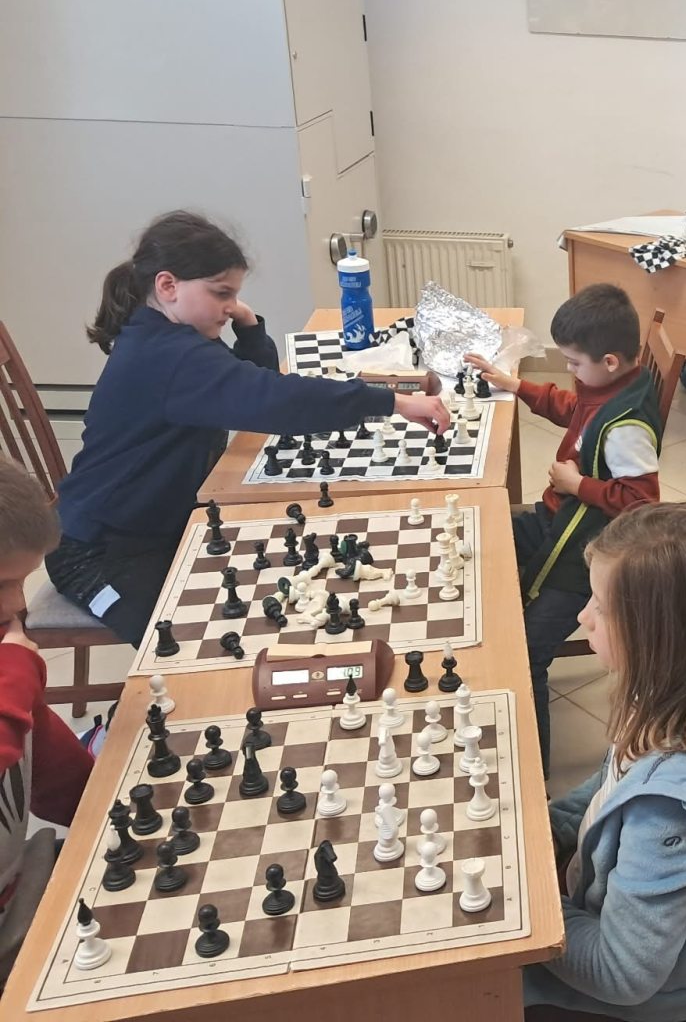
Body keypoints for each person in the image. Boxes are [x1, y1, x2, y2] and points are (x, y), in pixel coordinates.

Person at [47, 212, 448, 645]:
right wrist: (391, 401)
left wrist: (248, 326)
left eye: (235, 294)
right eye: (221, 293)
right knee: (183, 646)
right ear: (168, 286)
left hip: (157, 524)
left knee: (264, 597)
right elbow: (276, 400)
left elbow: (248, 384)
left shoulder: (174, 336)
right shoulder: (170, 356)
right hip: (97, 551)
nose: (230, 305)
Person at [522, 503, 686, 1021]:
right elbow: (611, 782)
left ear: (661, 636)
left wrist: (527, 902)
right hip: (592, 910)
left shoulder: (678, 810)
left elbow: (623, 974)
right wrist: (546, 827)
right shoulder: (685, 693)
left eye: (600, 607)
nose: (582, 618)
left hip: (635, 998)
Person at [466, 283, 661, 775]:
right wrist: (516, 386)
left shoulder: (627, 428)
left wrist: (579, 485)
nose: (568, 371)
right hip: (559, 522)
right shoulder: (608, 387)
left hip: (587, 556)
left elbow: (642, 503)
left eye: (573, 363)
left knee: (527, 654)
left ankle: (531, 774)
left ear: (610, 362)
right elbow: (574, 410)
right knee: (484, 538)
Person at [0, 458, 95, 985]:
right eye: (1, 584)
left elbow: (51, 766)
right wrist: (15, 676)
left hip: (23, 894)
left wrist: (106, 811)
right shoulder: (8, 672)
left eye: (21, 582)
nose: (17, 604)